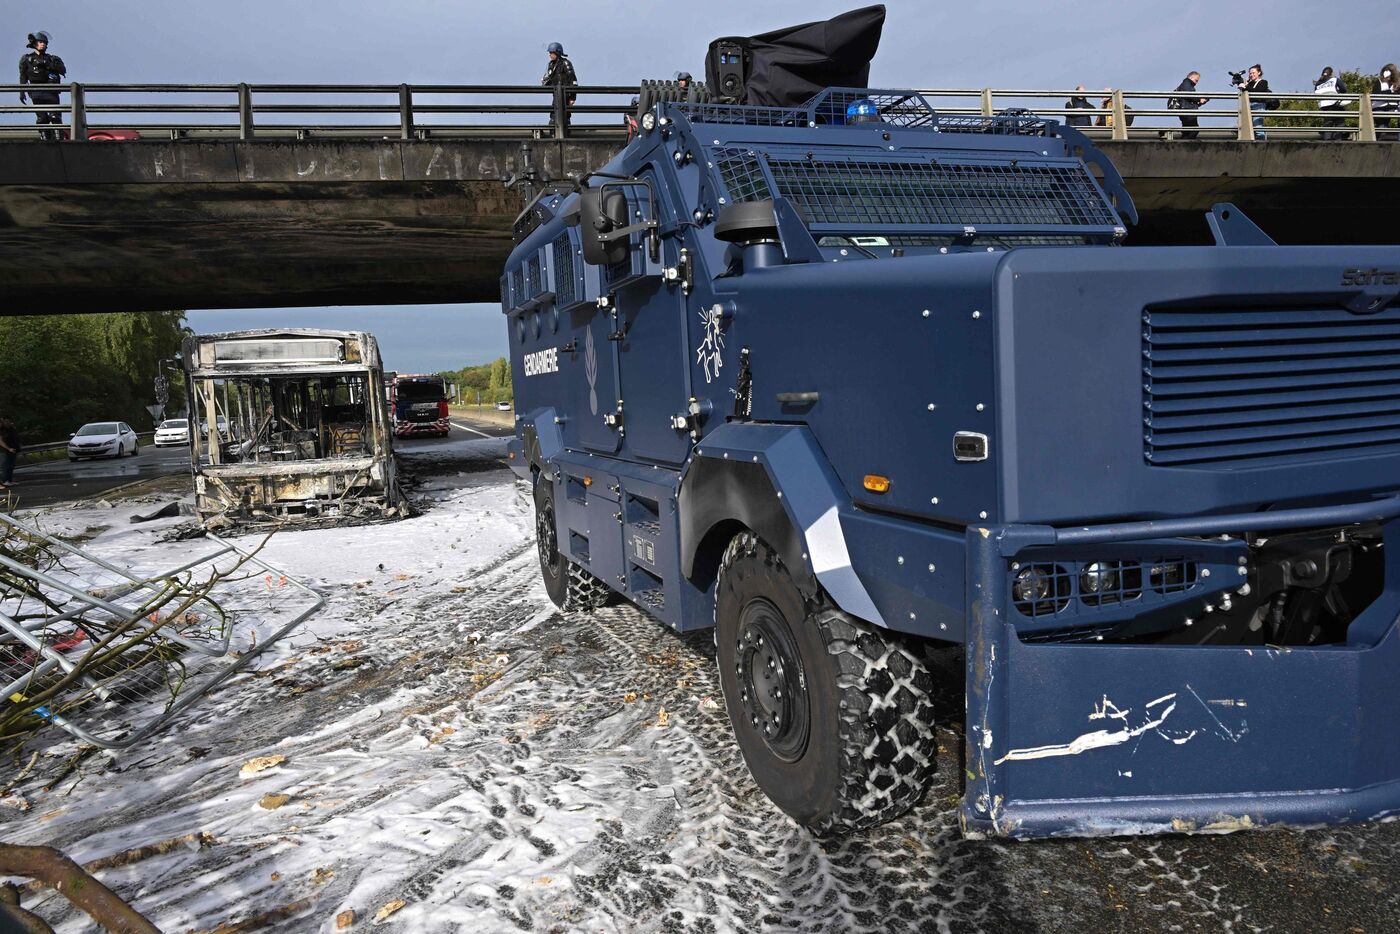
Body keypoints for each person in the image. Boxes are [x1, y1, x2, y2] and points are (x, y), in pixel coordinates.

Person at [18, 30, 65, 141]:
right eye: (40, 42)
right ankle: (45, 140)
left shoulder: (52, 58)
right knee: (42, 118)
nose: (43, 44)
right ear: (34, 43)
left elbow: (63, 70)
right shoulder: (27, 59)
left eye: (44, 42)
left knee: (55, 117)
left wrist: (47, 63)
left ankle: (59, 140)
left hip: (51, 91)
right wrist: (22, 91)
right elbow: (23, 76)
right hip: (36, 92)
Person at [541, 41, 577, 135]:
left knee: (566, 115)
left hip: (566, 94)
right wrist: (545, 82)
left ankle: (566, 135)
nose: (550, 55)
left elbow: (573, 80)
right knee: (553, 115)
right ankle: (553, 134)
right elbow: (550, 80)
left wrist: (573, 97)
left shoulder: (566, 63)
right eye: (550, 53)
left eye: (552, 53)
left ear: (557, 52)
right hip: (556, 94)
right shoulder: (551, 65)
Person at [1236, 64, 1271, 139]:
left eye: (1253, 73)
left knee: (1257, 125)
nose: (1251, 75)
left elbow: (1258, 91)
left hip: (1258, 105)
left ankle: (1261, 142)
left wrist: (1245, 87)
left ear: (1259, 72)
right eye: (1250, 73)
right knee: (1247, 125)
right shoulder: (1249, 83)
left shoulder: (1263, 82)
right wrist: (1243, 84)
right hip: (1249, 105)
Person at [1169, 71, 1207, 139]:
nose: (1196, 82)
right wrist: (1199, 99)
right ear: (1191, 77)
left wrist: (1200, 102)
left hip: (1186, 109)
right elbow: (1190, 95)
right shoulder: (1187, 84)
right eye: (1196, 80)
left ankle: (1184, 141)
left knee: (1187, 130)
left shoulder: (1186, 84)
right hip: (1188, 110)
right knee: (1193, 130)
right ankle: (1187, 142)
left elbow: (1188, 98)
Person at [1314, 66, 1348, 140]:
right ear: (1331, 73)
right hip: (1336, 105)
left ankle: (1327, 142)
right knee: (1340, 123)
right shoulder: (1335, 79)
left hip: (1324, 107)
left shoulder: (1318, 83)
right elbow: (1344, 89)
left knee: (1328, 125)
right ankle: (1338, 142)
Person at [1375, 64, 1398, 141]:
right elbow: (1376, 94)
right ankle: (1380, 139)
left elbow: (1397, 94)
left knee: (1384, 124)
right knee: (1382, 124)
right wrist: (1390, 92)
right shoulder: (1379, 82)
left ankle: (1381, 138)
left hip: (1391, 107)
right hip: (1379, 107)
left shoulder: (1396, 83)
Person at [0, 417, 21, 492]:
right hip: (3, 451)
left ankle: (9, 480)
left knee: (11, 466)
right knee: (5, 466)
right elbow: (0, 441)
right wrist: (8, 448)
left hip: (11, 449)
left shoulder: (6, 429)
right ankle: (4, 481)